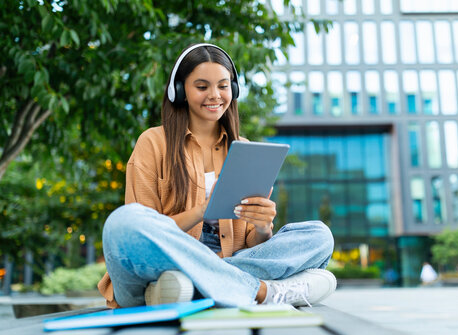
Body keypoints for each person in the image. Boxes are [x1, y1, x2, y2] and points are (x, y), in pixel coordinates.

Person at [97, 43, 336, 309]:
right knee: (123, 222)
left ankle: (191, 288)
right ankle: (262, 292)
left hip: (214, 265)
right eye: (202, 87)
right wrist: (202, 210)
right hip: (164, 261)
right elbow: (147, 229)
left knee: (319, 235)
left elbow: (252, 245)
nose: (215, 95)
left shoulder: (243, 148)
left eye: (223, 86)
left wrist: (262, 226)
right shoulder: (153, 142)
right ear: (180, 91)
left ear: (232, 90)